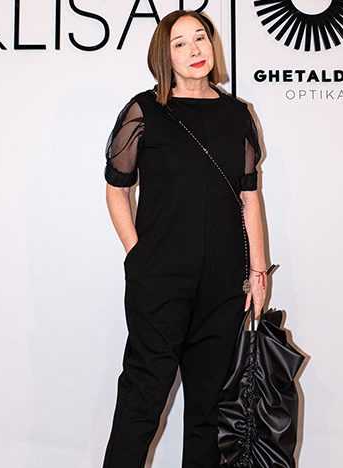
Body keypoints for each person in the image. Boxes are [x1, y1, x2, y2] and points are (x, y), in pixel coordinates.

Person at [101, 9, 268, 468]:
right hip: (160, 281)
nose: (195, 50)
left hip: (223, 283)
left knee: (209, 411)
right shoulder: (145, 111)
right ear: (165, 56)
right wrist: (139, 255)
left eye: (201, 38)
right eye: (180, 43)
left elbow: (249, 196)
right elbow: (117, 189)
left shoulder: (238, 114)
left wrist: (258, 271)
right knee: (141, 401)